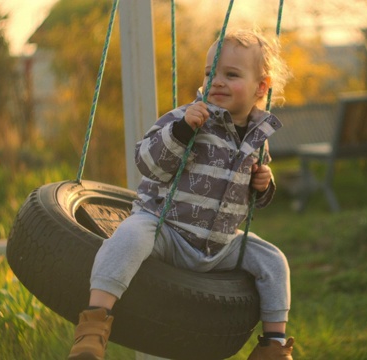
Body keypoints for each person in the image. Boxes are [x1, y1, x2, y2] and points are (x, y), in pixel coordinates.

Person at [68, 29, 294, 360]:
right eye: (209, 73)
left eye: (230, 75)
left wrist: (264, 184)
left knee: (272, 259)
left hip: (218, 244)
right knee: (129, 234)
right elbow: (147, 162)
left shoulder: (259, 138)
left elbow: (253, 199)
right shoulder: (187, 118)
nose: (216, 81)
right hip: (164, 229)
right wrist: (182, 131)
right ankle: (94, 325)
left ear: (261, 87)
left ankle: (274, 346)